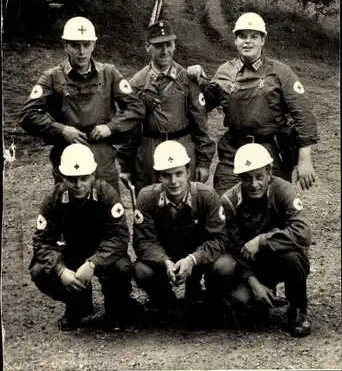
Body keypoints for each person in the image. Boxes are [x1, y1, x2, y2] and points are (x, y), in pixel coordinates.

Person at [187, 12, 318, 196]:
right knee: (224, 206)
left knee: (273, 208)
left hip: (271, 154)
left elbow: (303, 115)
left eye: (253, 36)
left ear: (263, 40)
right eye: (242, 36)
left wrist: (305, 160)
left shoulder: (280, 72)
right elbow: (203, 105)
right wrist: (196, 79)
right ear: (235, 40)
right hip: (233, 151)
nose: (247, 41)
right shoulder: (225, 71)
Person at [19, 16, 145, 191]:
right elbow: (27, 115)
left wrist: (111, 127)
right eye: (75, 45)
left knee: (108, 207)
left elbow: (136, 108)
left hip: (102, 158)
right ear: (65, 46)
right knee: (69, 212)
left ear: (94, 44)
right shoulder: (52, 77)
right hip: (67, 156)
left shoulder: (109, 73)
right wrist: (61, 130)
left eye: (86, 44)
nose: (82, 51)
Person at [29, 144, 134, 331]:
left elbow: (119, 237)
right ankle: (78, 304)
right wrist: (61, 270)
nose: (78, 185)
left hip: (102, 252)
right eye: (72, 179)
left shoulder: (106, 194)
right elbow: (42, 242)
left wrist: (93, 263)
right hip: (71, 252)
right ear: (62, 178)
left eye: (84, 179)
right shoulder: (53, 199)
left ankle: (115, 308)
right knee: (39, 271)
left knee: (122, 268)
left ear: (93, 175)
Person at [220, 143, 312, 337]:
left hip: (280, 257)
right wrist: (253, 282)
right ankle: (262, 295)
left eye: (259, 176)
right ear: (239, 178)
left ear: (270, 172)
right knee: (241, 301)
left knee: (294, 257)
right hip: (251, 264)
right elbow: (235, 248)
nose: (254, 185)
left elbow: (303, 232)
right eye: (247, 178)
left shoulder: (283, 190)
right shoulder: (229, 201)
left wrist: (262, 240)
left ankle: (297, 309)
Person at [117, 19, 215, 195]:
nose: (165, 51)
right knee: (150, 200)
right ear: (148, 47)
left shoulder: (186, 79)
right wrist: (125, 166)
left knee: (184, 202)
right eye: (158, 46)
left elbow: (200, 123)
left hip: (182, 146)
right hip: (149, 150)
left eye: (168, 44)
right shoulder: (137, 82)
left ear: (175, 45)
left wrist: (203, 162)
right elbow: (129, 129)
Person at [133, 140, 229, 317]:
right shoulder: (146, 198)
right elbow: (142, 242)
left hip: (198, 256)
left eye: (178, 174)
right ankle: (164, 299)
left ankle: (207, 298)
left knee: (225, 266)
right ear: (158, 177)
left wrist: (193, 259)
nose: (174, 181)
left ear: (188, 173)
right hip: (166, 257)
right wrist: (165, 261)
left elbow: (220, 239)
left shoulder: (206, 196)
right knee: (141, 270)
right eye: (166, 175)